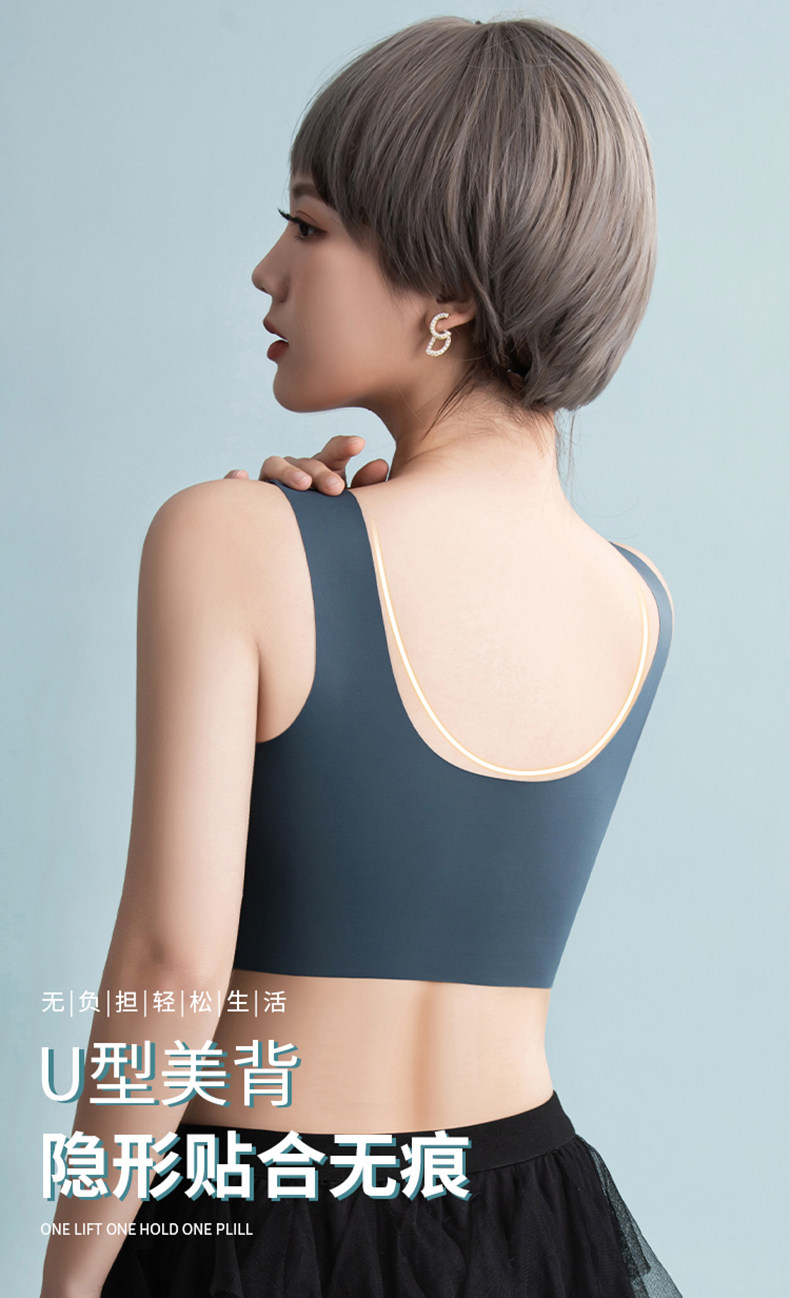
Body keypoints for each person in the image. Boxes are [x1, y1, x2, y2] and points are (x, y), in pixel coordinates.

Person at [40, 15, 684, 1298]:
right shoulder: (637, 598)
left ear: (450, 290)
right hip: (533, 1220)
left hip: (264, 1213)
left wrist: (67, 1282)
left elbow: (172, 962)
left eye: (309, 225)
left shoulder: (231, 537)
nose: (267, 270)